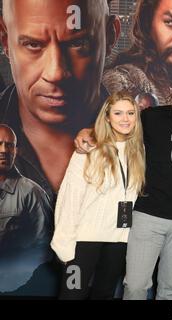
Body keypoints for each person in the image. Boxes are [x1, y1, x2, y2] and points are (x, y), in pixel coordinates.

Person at [75, 65, 172, 300]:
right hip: (148, 217)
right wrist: (89, 131)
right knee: (136, 286)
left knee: (170, 290)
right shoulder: (153, 116)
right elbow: (121, 127)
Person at [0, 0, 120, 201]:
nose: (55, 73)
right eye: (33, 44)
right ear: (5, 40)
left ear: (110, 37)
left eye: (77, 43)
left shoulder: (144, 139)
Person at [50, 92, 145, 300]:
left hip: (118, 242)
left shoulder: (138, 152)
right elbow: (69, 198)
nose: (125, 119)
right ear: (107, 117)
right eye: (118, 113)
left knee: (104, 295)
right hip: (83, 242)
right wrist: (64, 246)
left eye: (131, 113)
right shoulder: (88, 149)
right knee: (71, 296)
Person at [0, 124, 52, 254]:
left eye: (10, 145)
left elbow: (44, 244)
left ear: (15, 151)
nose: (4, 150)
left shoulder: (32, 192)